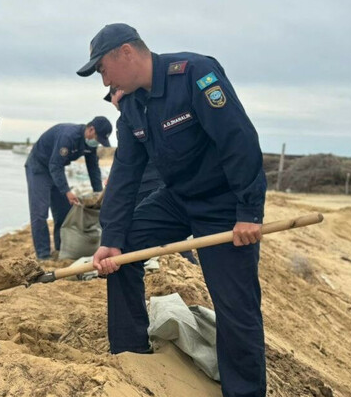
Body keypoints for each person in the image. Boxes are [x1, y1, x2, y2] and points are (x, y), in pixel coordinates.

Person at [78, 24, 267, 397]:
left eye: (102, 69)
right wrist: (111, 238)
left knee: (235, 306)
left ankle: (244, 392)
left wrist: (249, 211)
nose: (103, 82)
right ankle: (131, 356)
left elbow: (238, 139)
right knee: (123, 254)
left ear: (126, 53)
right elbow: (126, 173)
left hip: (224, 204)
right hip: (178, 199)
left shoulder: (194, 74)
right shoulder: (131, 105)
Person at [104, 87, 197, 265]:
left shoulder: (144, 113)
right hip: (148, 177)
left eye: (112, 97)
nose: (114, 103)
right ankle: (184, 261)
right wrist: (114, 178)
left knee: (153, 223)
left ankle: (188, 262)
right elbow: (125, 158)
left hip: (150, 178)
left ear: (120, 91)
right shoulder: (127, 118)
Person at [24, 117, 112, 260]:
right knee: (40, 213)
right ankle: (43, 255)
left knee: (63, 211)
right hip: (39, 168)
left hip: (56, 170)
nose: (97, 143)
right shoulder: (68, 137)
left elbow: (93, 167)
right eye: (98, 138)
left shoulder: (90, 144)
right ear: (91, 130)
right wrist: (67, 191)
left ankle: (60, 249)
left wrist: (98, 193)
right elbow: (54, 165)